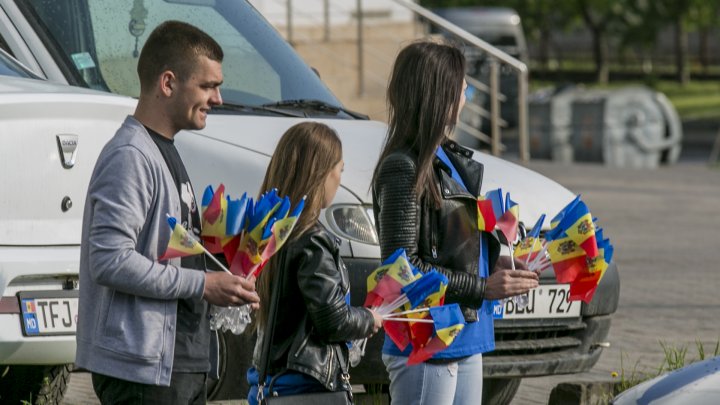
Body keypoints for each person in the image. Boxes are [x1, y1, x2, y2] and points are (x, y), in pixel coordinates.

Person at [76, 20, 259, 405]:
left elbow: (172, 256)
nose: (218, 98)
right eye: (208, 86)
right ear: (168, 83)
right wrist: (204, 285)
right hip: (142, 373)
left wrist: (230, 268)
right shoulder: (130, 157)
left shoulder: (165, 151)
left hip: (181, 365)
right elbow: (109, 259)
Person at [371, 41, 540, 405]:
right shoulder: (403, 167)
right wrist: (483, 286)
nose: (466, 95)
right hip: (426, 338)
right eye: (463, 87)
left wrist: (495, 261)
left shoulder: (446, 159)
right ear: (440, 95)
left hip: (464, 333)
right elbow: (403, 267)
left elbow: (452, 242)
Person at [246, 122, 383, 404]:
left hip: (272, 384)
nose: (340, 180)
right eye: (340, 170)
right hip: (307, 387)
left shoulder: (272, 232)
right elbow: (333, 320)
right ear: (322, 173)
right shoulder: (312, 241)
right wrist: (369, 318)